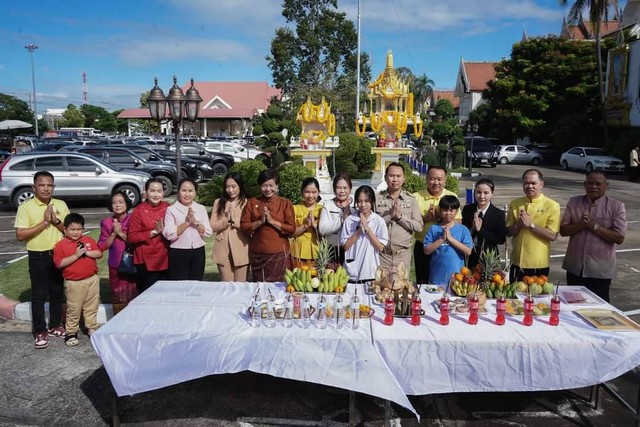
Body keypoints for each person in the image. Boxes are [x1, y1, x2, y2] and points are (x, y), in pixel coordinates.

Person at [15, 171, 70, 349]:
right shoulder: (26, 207)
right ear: (34, 187)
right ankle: (40, 330)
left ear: (53, 187)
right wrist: (45, 223)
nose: (46, 188)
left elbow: (69, 230)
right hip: (37, 256)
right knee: (38, 295)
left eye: (49, 185)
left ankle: (55, 325)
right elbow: (20, 235)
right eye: (42, 185)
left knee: (56, 292)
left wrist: (55, 221)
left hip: (57, 255)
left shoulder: (60, 204)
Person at [560, 171, 626, 302]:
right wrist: (581, 224)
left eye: (598, 184)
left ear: (606, 185)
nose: (593, 187)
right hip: (575, 268)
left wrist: (595, 226)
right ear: (585, 185)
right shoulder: (574, 202)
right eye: (590, 183)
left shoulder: (616, 206)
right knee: (573, 306)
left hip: (600, 271)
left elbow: (619, 237)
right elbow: (563, 230)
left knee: (598, 309)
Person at [53, 213, 102, 347]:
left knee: (91, 305)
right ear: (65, 229)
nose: (75, 232)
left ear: (83, 228)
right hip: (74, 283)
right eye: (72, 229)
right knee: (74, 309)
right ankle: (71, 332)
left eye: (78, 229)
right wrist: (76, 255)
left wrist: (86, 252)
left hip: (92, 279)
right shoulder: (61, 245)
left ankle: (92, 327)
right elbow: (59, 263)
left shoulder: (88, 240)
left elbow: (99, 253)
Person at [240, 169, 296, 282]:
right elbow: (244, 226)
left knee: (280, 287)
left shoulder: (285, 203)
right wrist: (260, 222)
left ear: (277, 185)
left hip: (279, 253)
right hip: (258, 253)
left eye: (271, 185)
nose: (268, 189)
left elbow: (291, 229)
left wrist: (272, 221)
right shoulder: (252, 202)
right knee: (260, 287)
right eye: (264, 185)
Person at [506, 169, 561, 283]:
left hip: (538, 263)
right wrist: (519, 225)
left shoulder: (552, 205)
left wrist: (531, 225)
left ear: (541, 184)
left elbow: (552, 235)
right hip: (517, 261)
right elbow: (509, 232)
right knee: (514, 298)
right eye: (526, 183)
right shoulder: (515, 203)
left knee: (537, 298)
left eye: (533, 183)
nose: (529, 186)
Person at [413, 167, 461, 284]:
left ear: (445, 180)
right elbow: (411, 225)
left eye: (439, 179)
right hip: (423, 246)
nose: (436, 183)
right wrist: (426, 219)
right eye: (432, 179)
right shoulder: (416, 197)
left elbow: (459, 223)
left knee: (445, 281)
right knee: (423, 280)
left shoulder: (451, 196)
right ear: (426, 179)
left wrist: (440, 217)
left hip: (446, 246)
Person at [375, 162, 423, 276]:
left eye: (398, 176)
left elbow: (419, 227)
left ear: (403, 178)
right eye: (391, 176)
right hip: (382, 254)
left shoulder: (411, 200)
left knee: (401, 290)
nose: (395, 179)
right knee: (381, 289)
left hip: (402, 255)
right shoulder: (377, 199)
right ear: (386, 178)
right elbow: (372, 225)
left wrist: (400, 217)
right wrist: (389, 217)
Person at [163, 178, 212, 280]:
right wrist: (186, 223)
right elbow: (169, 234)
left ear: (195, 193)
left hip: (198, 252)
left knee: (196, 283)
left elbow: (208, 232)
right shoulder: (171, 210)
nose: (187, 194)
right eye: (184, 190)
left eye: (190, 191)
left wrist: (195, 223)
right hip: (178, 252)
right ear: (178, 192)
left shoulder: (200, 208)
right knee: (180, 285)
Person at [98, 191, 138, 315]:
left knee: (134, 294)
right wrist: (114, 234)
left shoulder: (133, 219)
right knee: (118, 295)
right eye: (114, 203)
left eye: (121, 202)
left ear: (127, 203)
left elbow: (136, 241)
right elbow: (102, 245)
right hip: (116, 265)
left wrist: (121, 233)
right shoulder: (107, 222)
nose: (117, 205)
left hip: (133, 262)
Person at [128, 178, 170, 293]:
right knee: (148, 295)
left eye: (159, 191)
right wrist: (154, 232)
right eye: (152, 191)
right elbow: (132, 236)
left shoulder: (169, 208)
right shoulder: (139, 210)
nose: (156, 194)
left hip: (166, 257)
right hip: (145, 260)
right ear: (146, 192)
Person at [340, 185, 389, 282]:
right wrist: (359, 231)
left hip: (370, 271)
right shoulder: (350, 220)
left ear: (372, 202)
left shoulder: (379, 221)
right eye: (359, 201)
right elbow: (345, 246)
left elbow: (380, 247)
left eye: (366, 201)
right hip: (351, 272)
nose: (362, 205)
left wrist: (367, 230)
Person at [210, 172, 250, 282]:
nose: (230, 190)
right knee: (227, 287)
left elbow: (250, 228)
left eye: (234, 186)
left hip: (241, 248)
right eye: (227, 187)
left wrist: (235, 221)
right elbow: (212, 226)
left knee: (241, 287)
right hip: (222, 249)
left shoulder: (247, 203)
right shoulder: (218, 203)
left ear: (240, 186)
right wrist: (225, 221)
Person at [424, 196, 473, 285]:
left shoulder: (463, 229)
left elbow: (468, 251)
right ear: (440, 211)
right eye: (445, 210)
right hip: (437, 276)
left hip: (457, 277)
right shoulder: (434, 229)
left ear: (457, 211)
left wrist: (450, 239)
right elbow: (427, 250)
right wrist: (442, 239)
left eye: (451, 210)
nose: (448, 213)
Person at [461, 178, 507, 269]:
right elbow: (462, 231)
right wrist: (472, 229)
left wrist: (480, 230)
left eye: (486, 193)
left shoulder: (498, 214)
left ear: (492, 194)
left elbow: (500, 239)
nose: (482, 196)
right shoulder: (468, 209)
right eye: (478, 192)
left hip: (489, 258)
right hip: (469, 256)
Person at [318, 173, 356, 264]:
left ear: (350, 189)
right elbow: (322, 229)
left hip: (351, 250)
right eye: (339, 188)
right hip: (331, 249)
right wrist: (342, 220)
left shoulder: (356, 206)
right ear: (334, 189)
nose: (342, 191)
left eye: (345, 188)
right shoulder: (328, 204)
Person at [290, 177, 323, 270]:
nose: (310, 195)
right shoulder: (295, 208)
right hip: (298, 252)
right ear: (302, 192)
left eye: (314, 192)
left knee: (316, 282)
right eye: (307, 192)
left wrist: (314, 226)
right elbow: (291, 233)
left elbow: (325, 234)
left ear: (318, 192)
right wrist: (305, 226)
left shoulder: (323, 210)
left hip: (317, 251)